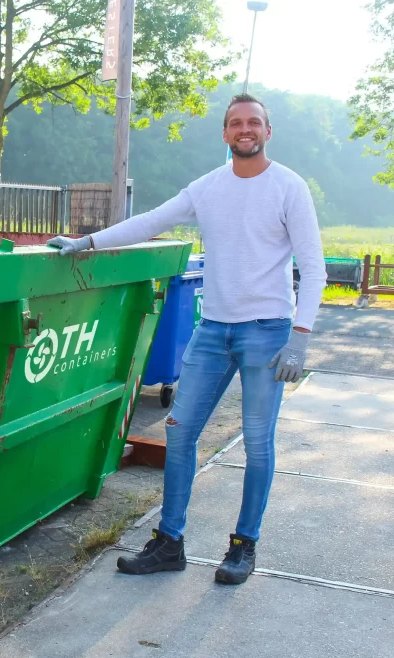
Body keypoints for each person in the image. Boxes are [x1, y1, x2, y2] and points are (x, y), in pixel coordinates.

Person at [48, 93, 327, 585]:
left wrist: (300, 337)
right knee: (179, 433)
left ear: (267, 132)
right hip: (213, 331)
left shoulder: (288, 188)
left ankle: (243, 545)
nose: (245, 129)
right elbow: (149, 222)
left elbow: (315, 266)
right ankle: (169, 542)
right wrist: (86, 244)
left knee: (258, 442)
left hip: (268, 332)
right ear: (224, 133)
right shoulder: (207, 188)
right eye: (236, 123)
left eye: (254, 123)